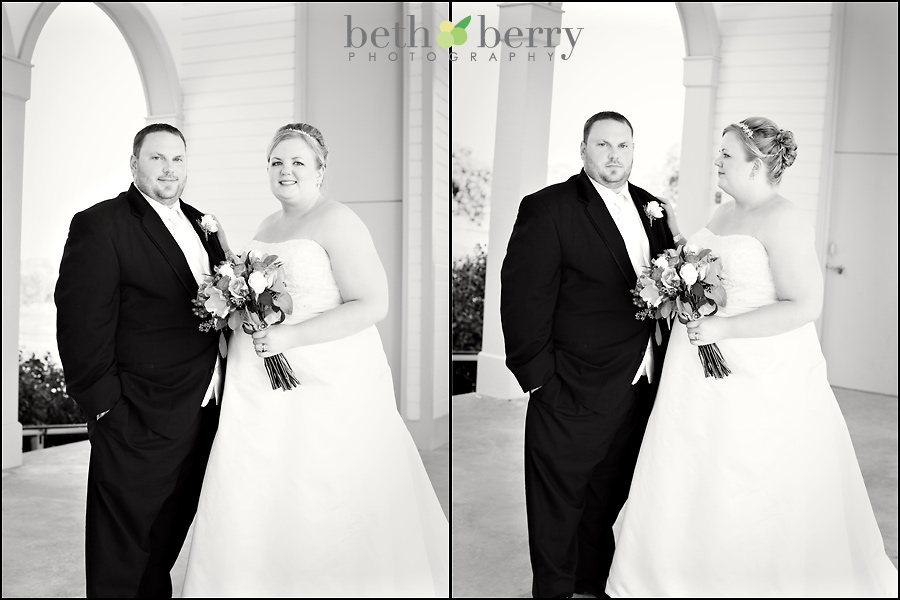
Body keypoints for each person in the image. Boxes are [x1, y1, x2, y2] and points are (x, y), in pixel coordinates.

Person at [606, 116, 899, 597]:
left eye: (726, 155)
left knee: (742, 476)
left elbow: (805, 305)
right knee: (690, 471)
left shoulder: (785, 219)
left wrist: (723, 327)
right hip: (695, 373)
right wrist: (675, 253)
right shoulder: (723, 213)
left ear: (756, 165)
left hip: (756, 376)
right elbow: (705, 269)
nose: (717, 161)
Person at [181, 123, 449, 597]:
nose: (285, 171)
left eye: (298, 162)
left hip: (326, 381)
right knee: (260, 488)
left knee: (321, 487)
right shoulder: (266, 227)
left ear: (321, 170)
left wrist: (292, 336)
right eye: (276, 162)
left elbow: (373, 304)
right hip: (259, 384)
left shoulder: (339, 220)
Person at [500, 111, 675, 598]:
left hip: (640, 379)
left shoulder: (653, 208)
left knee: (608, 492)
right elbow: (523, 299)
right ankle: (554, 590)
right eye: (603, 145)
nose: (614, 155)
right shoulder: (548, 208)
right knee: (558, 499)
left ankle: (592, 580)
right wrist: (540, 380)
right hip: (571, 384)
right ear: (583, 150)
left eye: (623, 145)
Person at [55, 123, 227, 597]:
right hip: (135, 415)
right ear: (134, 164)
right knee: (121, 553)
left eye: (178, 159)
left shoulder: (203, 223)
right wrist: (106, 408)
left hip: (204, 409)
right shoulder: (101, 224)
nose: (169, 169)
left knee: (162, 544)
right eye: (157, 158)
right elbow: (81, 325)